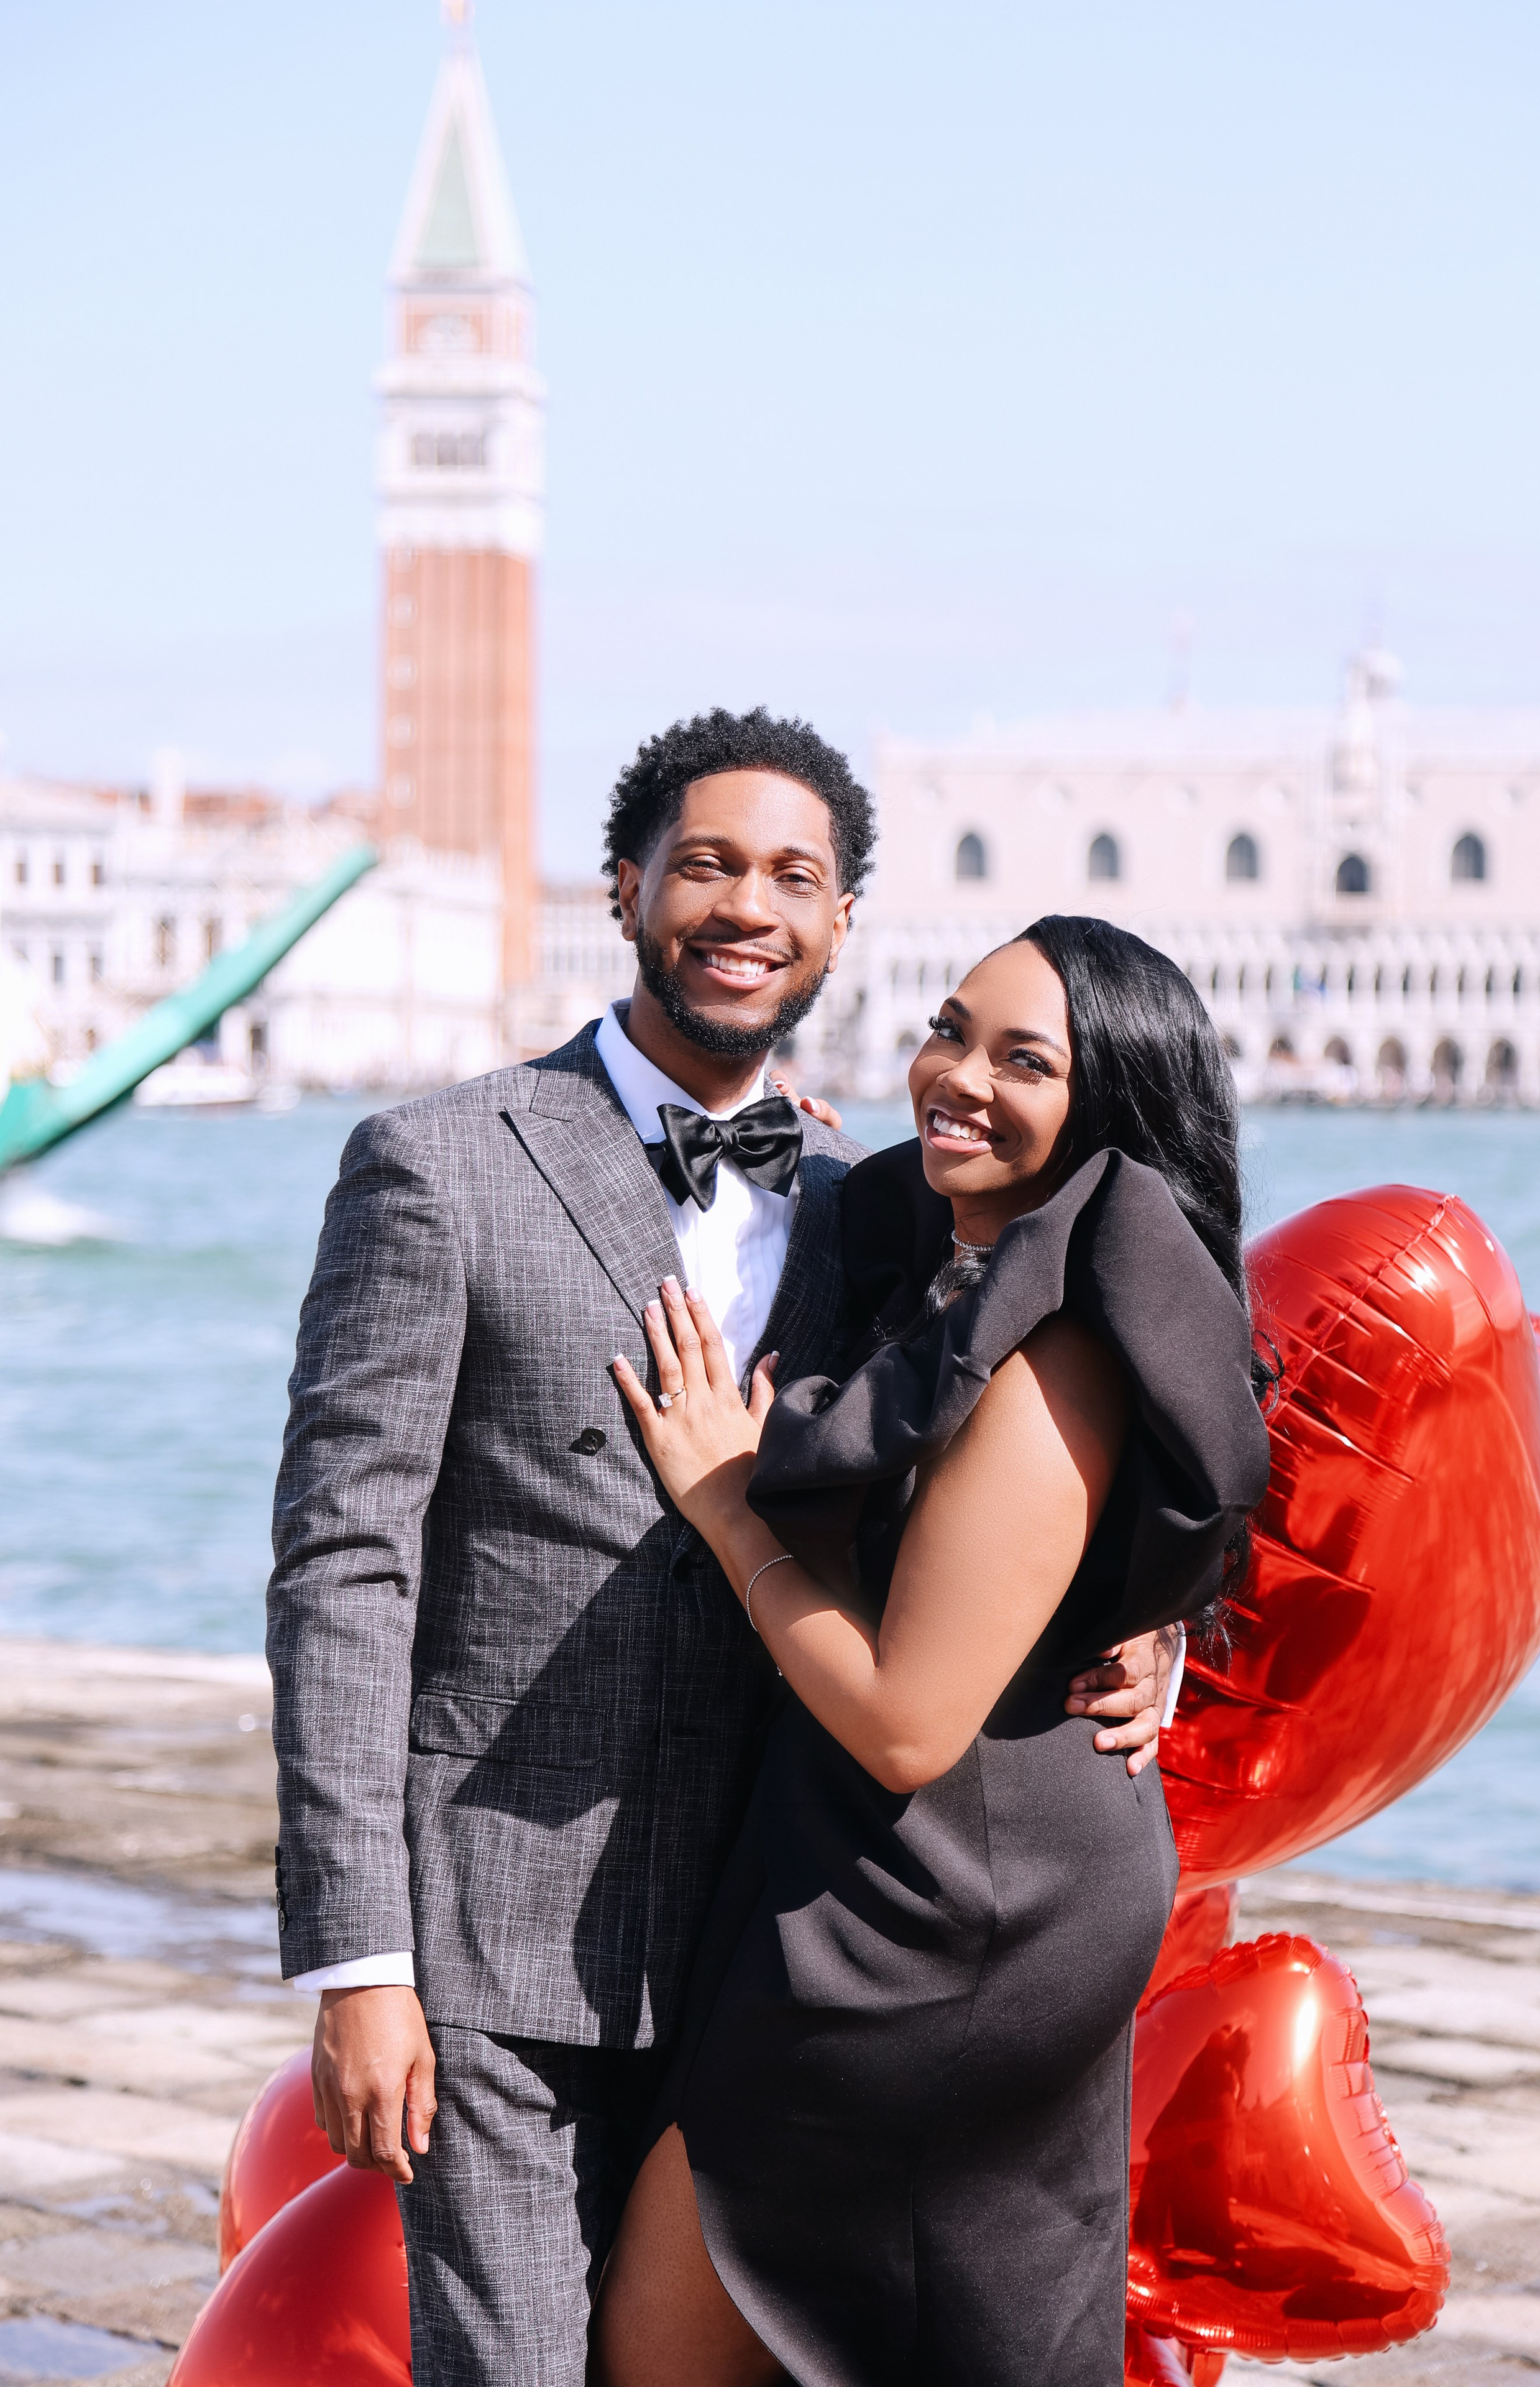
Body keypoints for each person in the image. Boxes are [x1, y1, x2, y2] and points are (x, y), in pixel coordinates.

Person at [267, 719, 1175, 2387]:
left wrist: (1138, 1622)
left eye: (793, 878)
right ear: (623, 890)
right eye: (705, 865)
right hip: (494, 1939)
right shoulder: (436, 1164)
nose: (747, 908)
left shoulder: (875, 1199)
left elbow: (1024, 1451)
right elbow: (343, 1570)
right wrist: (359, 1961)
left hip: (780, 1947)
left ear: (841, 923)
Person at [593, 913, 1274, 2387]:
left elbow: (905, 1722)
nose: (958, 1077)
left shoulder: (1054, 1353)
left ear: (1105, 1108)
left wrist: (727, 1507)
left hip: (947, 1907)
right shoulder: (951, 1253)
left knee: (673, 2337)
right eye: (949, 1031)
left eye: (1024, 1060)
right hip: (927, 1868)